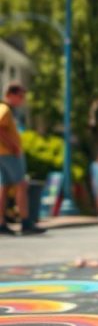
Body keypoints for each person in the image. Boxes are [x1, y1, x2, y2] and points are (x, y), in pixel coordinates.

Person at [0, 82, 44, 235]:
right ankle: (26, 222)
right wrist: (13, 146)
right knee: (21, 184)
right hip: (8, 153)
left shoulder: (7, 110)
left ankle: (1, 223)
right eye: (20, 96)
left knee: (4, 187)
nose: (22, 99)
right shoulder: (5, 109)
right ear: (10, 95)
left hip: (4, 153)